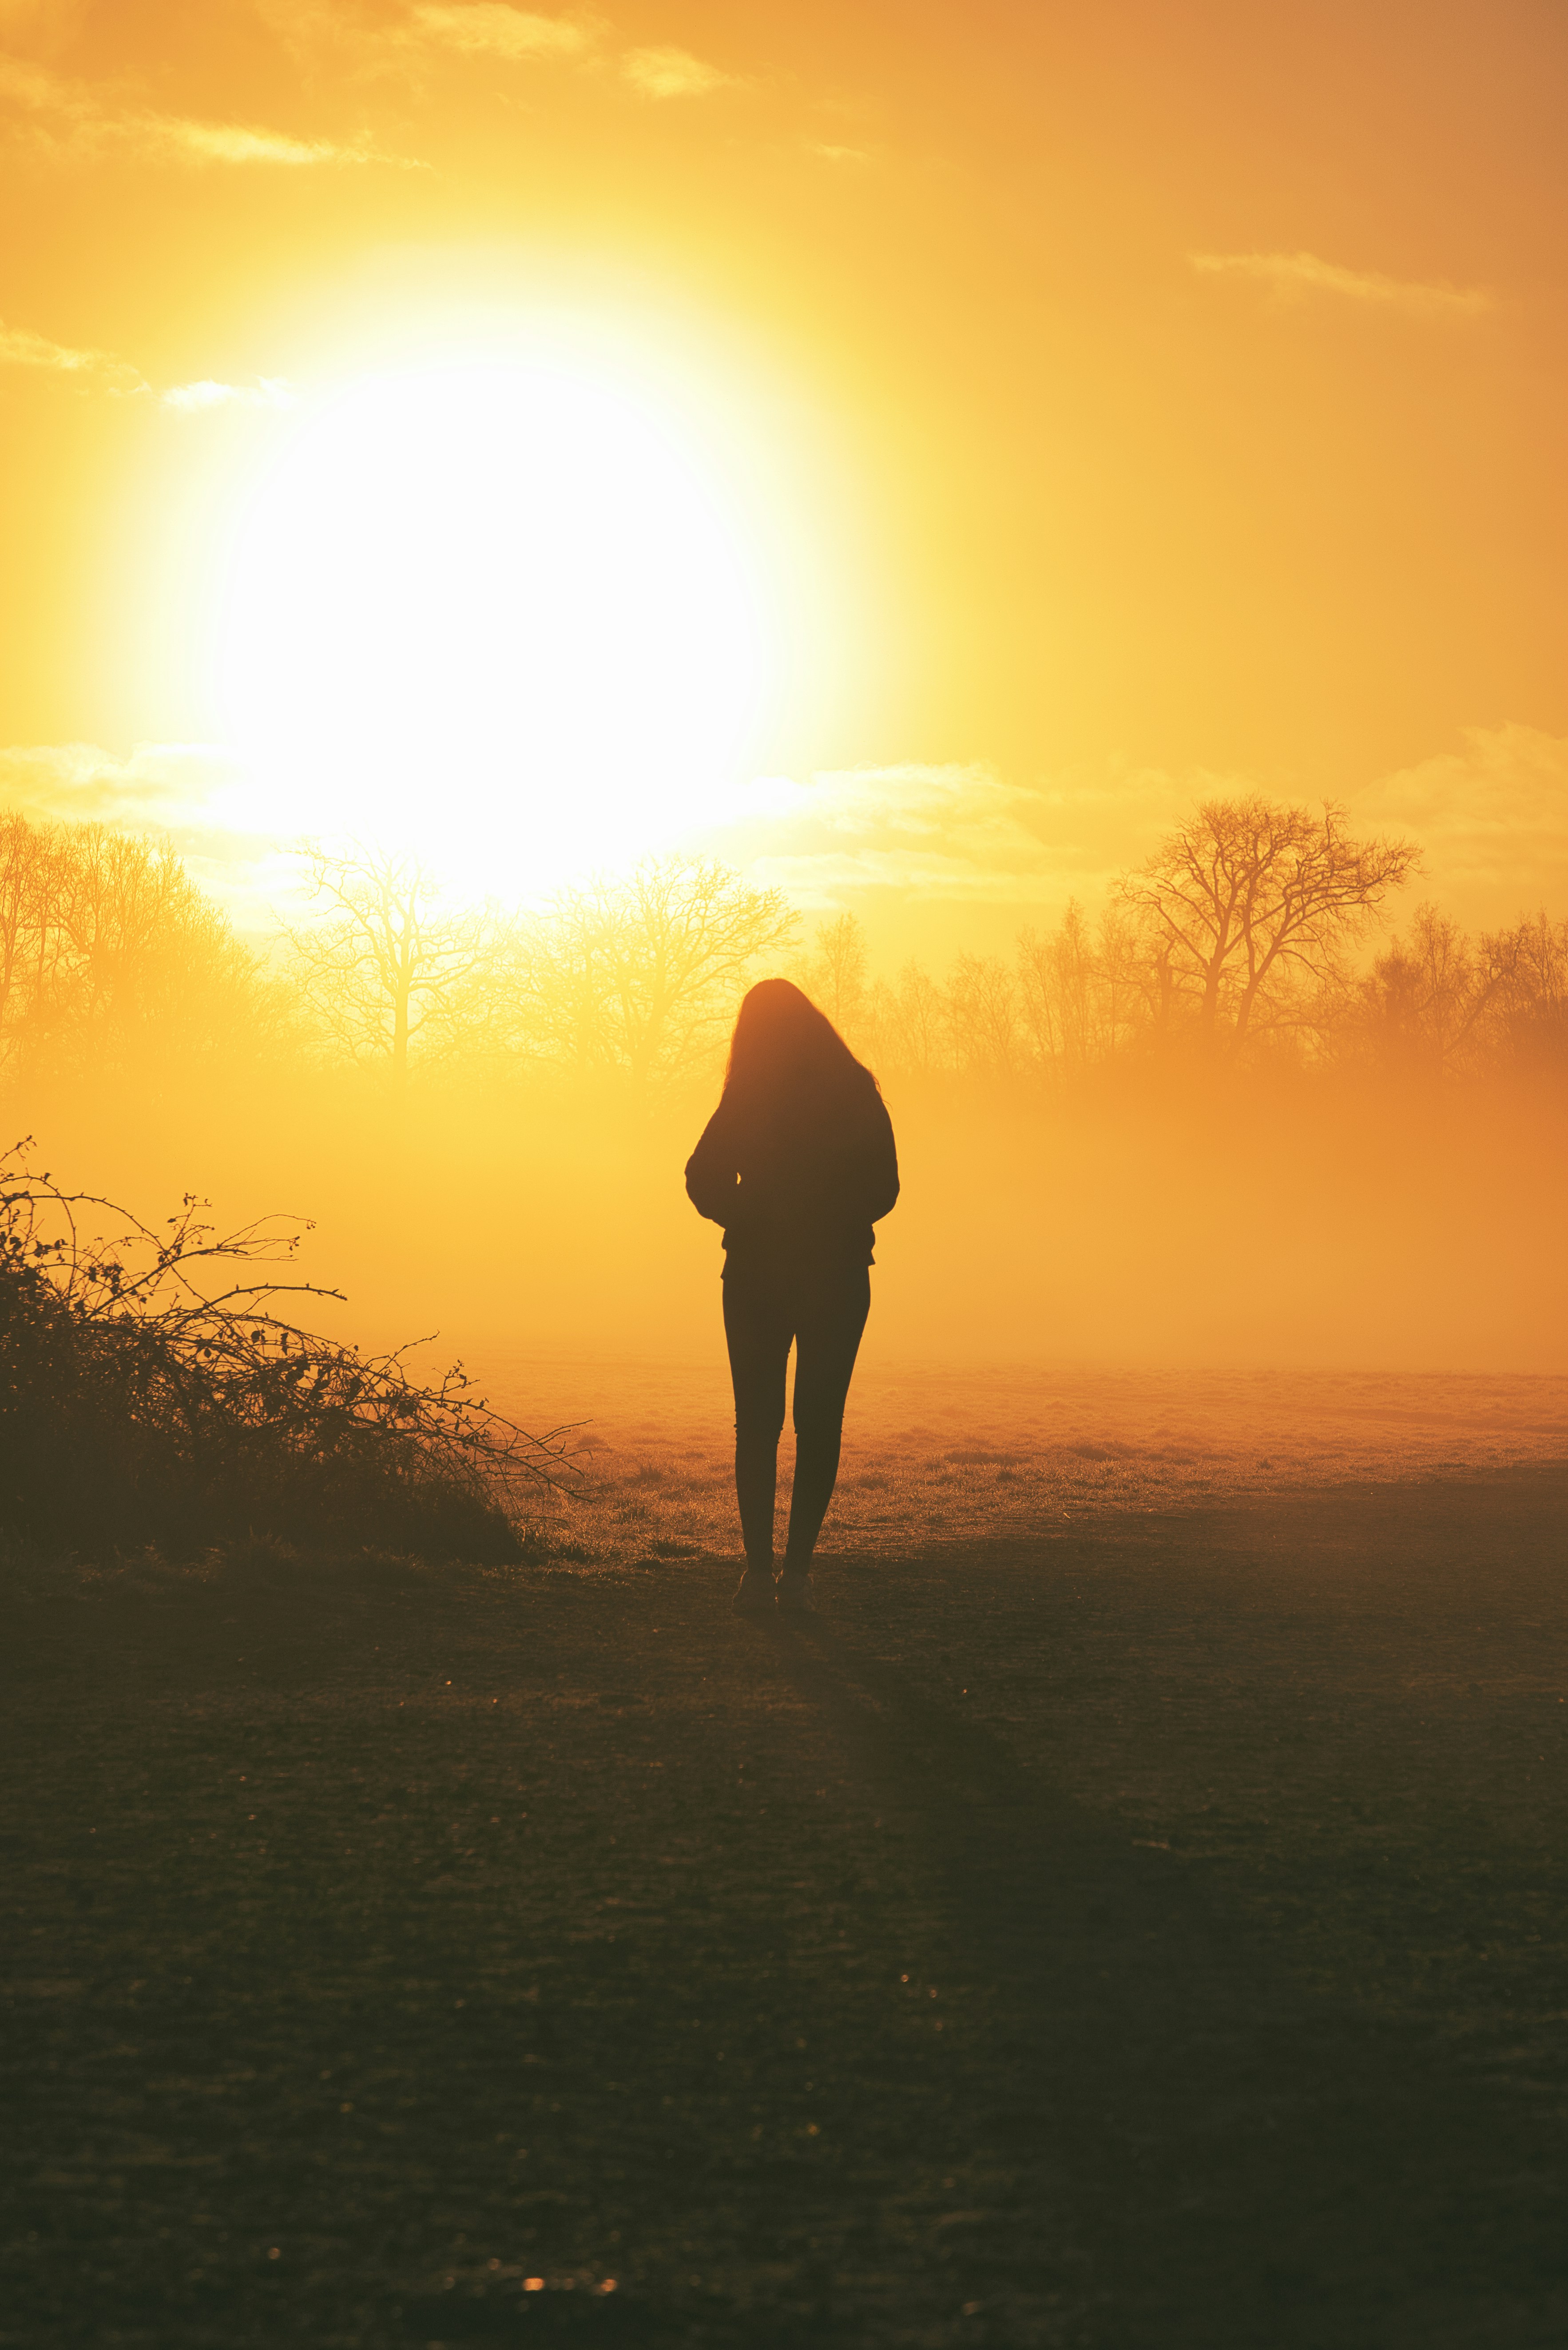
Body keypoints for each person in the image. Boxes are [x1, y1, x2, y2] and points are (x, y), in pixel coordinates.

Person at [685, 978, 900, 1616]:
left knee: (756, 1424)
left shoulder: (749, 1094)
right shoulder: (857, 1091)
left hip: (755, 1275)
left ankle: (756, 1572)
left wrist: (749, 1215)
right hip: (837, 1276)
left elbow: (701, 1177)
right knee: (820, 1425)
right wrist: (831, 1220)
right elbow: (885, 1189)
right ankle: (798, 1575)